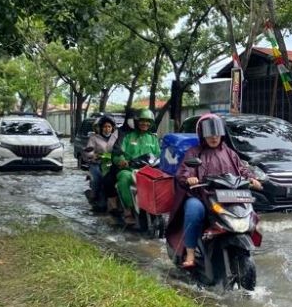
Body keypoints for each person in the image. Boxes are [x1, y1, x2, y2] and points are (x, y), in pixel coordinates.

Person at [168, 114, 262, 269]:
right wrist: (189, 178)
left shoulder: (230, 153)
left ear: (222, 133)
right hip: (202, 195)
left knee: (249, 210)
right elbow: (184, 171)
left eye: (216, 133)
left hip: (228, 196)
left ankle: (242, 246)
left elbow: (242, 170)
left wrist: (252, 179)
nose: (214, 137)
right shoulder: (194, 152)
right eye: (210, 134)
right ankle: (190, 252)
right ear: (202, 134)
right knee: (193, 209)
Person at [112, 108, 160, 226]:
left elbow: (159, 155)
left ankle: (157, 210)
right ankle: (128, 210)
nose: (145, 123)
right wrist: (121, 161)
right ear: (137, 121)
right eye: (142, 120)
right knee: (123, 178)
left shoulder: (153, 138)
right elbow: (117, 153)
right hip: (130, 170)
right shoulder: (127, 136)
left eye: (148, 121)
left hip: (148, 171)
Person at [83, 115, 119, 212]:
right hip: (97, 163)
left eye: (109, 127)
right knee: (97, 179)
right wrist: (93, 155)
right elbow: (88, 151)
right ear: (100, 128)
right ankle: (94, 196)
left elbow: (120, 149)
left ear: (112, 128)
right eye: (104, 127)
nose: (107, 129)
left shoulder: (116, 137)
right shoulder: (93, 138)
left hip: (112, 163)